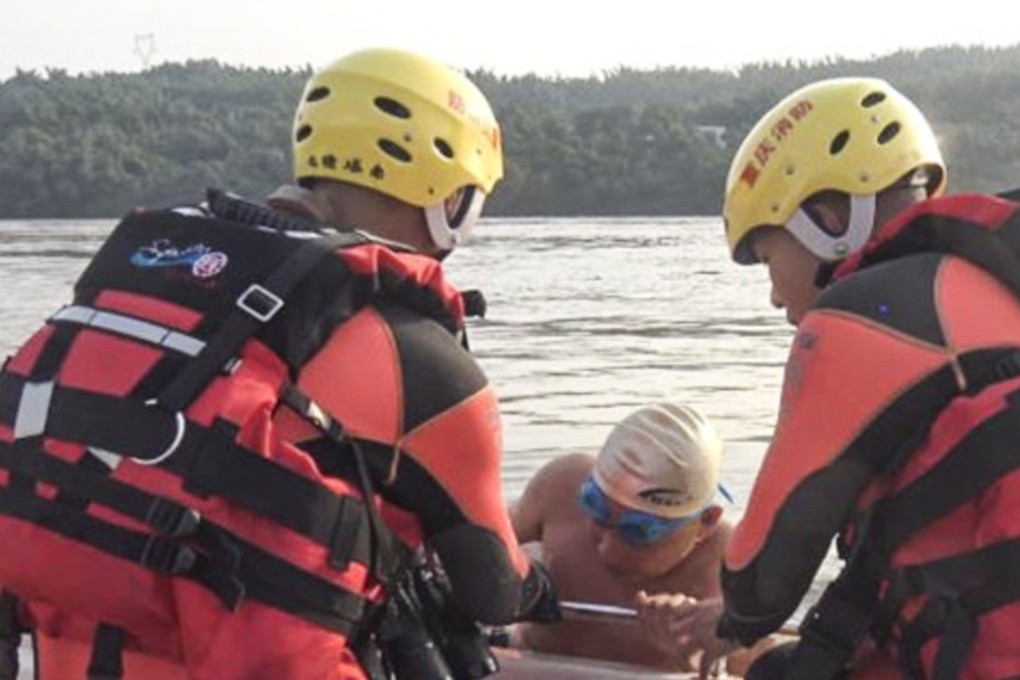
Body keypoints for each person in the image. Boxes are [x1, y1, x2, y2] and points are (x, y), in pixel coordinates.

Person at [0, 47, 558, 680]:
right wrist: (546, 586)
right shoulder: (422, 362)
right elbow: (493, 590)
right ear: (449, 202)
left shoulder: (145, 275)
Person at [636, 76, 1020, 679]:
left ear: (828, 217)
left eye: (767, 258)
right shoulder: (993, 292)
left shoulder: (863, 317)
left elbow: (761, 584)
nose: (771, 295)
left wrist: (728, 621)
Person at [508, 402, 734, 670]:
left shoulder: (727, 562)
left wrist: (688, 649)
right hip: (530, 666)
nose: (607, 548)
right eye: (595, 508)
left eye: (639, 531)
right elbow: (480, 537)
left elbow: (733, 660)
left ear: (705, 523)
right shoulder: (561, 486)